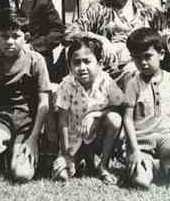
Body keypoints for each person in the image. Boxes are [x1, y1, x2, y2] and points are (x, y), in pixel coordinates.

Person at [0, 8, 51, 182]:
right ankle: (2, 152)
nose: (9, 41)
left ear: (26, 38)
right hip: (3, 120)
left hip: (28, 123)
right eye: (4, 36)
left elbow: (43, 102)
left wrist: (33, 138)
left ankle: (17, 152)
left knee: (21, 174)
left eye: (15, 36)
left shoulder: (36, 61)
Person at [68, 0, 170, 88]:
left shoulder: (149, 12)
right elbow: (69, 33)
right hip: (105, 75)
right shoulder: (99, 9)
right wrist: (100, 39)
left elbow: (169, 37)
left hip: (142, 69)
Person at [122, 27, 170, 188]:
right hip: (140, 143)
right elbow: (127, 118)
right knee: (141, 181)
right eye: (137, 58)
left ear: (161, 54)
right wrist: (134, 150)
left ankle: (165, 162)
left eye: (148, 56)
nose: (143, 62)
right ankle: (158, 166)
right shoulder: (133, 84)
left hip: (164, 139)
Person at [52, 36, 125, 184]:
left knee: (114, 119)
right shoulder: (67, 85)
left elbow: (120, 105)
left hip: (98, 137)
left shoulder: (106, 82)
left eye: (87, 61)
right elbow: (63, 121)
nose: (82, 68)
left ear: (99, 63)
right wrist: (66, 154)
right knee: (62, 174)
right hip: (75, 138)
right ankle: (79, 160)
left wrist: (96, 114)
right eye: (76, 63)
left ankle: (103, 165)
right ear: (70, 65)